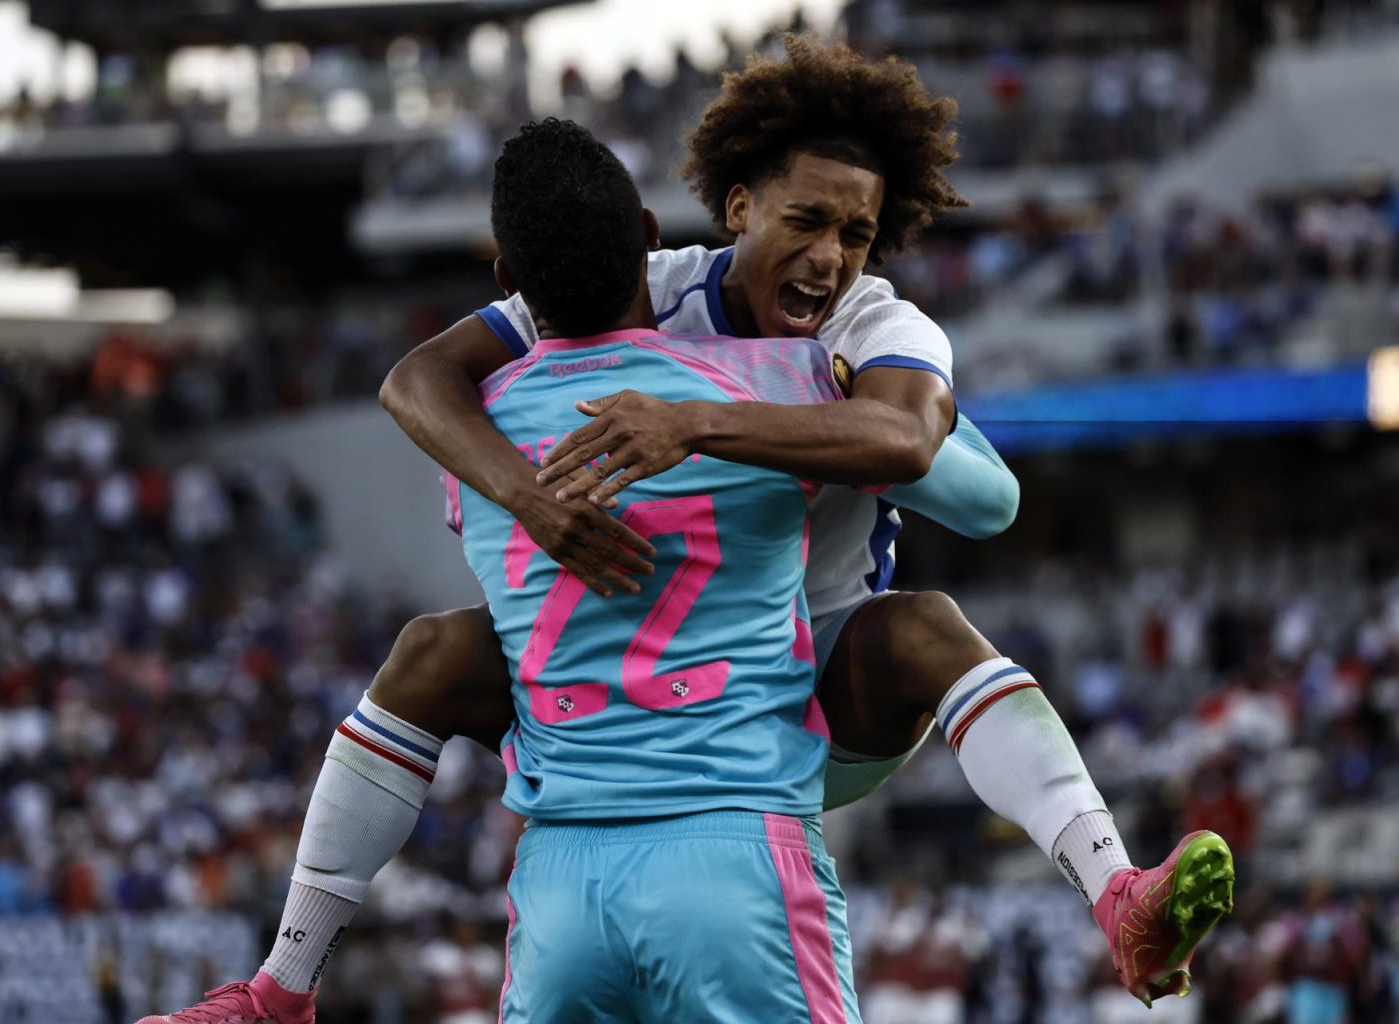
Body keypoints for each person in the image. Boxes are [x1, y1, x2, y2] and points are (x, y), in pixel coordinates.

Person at [147, 36, 1233, 1023]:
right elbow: (417, 378)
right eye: (805, 221)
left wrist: (697, 424)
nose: (830, 258)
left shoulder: (869, 325)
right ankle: (278, 990)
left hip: (816, 696)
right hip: (637, 737)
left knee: (926, 625)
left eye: (856, 232)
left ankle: (1117, 889)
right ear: (739, 205)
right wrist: (536, 501)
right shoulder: (640, 285)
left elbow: (956, 478)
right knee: (435, 650)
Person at [146, 118, 863, 1023]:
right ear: (650, 236)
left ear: (508, 285)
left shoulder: (474, 430)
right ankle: (1102, 871)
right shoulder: (775, 380)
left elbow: (419, 382)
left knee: (433, 652)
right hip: (734, 852)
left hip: (562, 881)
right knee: (924, 635)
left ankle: (280, 989)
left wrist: (531, 492)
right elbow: (926, 454)